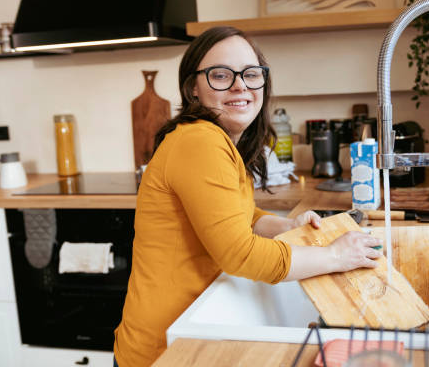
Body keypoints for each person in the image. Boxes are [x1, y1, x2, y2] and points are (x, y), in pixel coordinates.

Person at [113, 26, 382, 366]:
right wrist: (334, 257)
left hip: (184, 336)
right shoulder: (200, 142)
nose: (241, 85)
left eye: (251, 74)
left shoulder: (211, 138)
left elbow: (241, 217)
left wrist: (286, 226)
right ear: (193, 87)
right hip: (164, 351)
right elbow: (240, 254)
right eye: (221, 75)